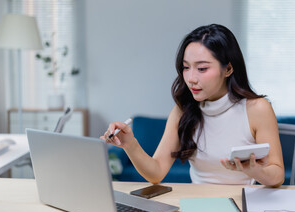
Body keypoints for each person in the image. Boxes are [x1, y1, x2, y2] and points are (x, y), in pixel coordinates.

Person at [101, 24, 284, 187]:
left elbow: (277, 175)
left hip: (243, 204)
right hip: (198, 204)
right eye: (186, 67)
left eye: (202, 68)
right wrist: (130, 144)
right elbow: (156, 173)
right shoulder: (183, 111)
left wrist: (254, 171)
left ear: (228, 69)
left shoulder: (257, 109)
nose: (190, 78)